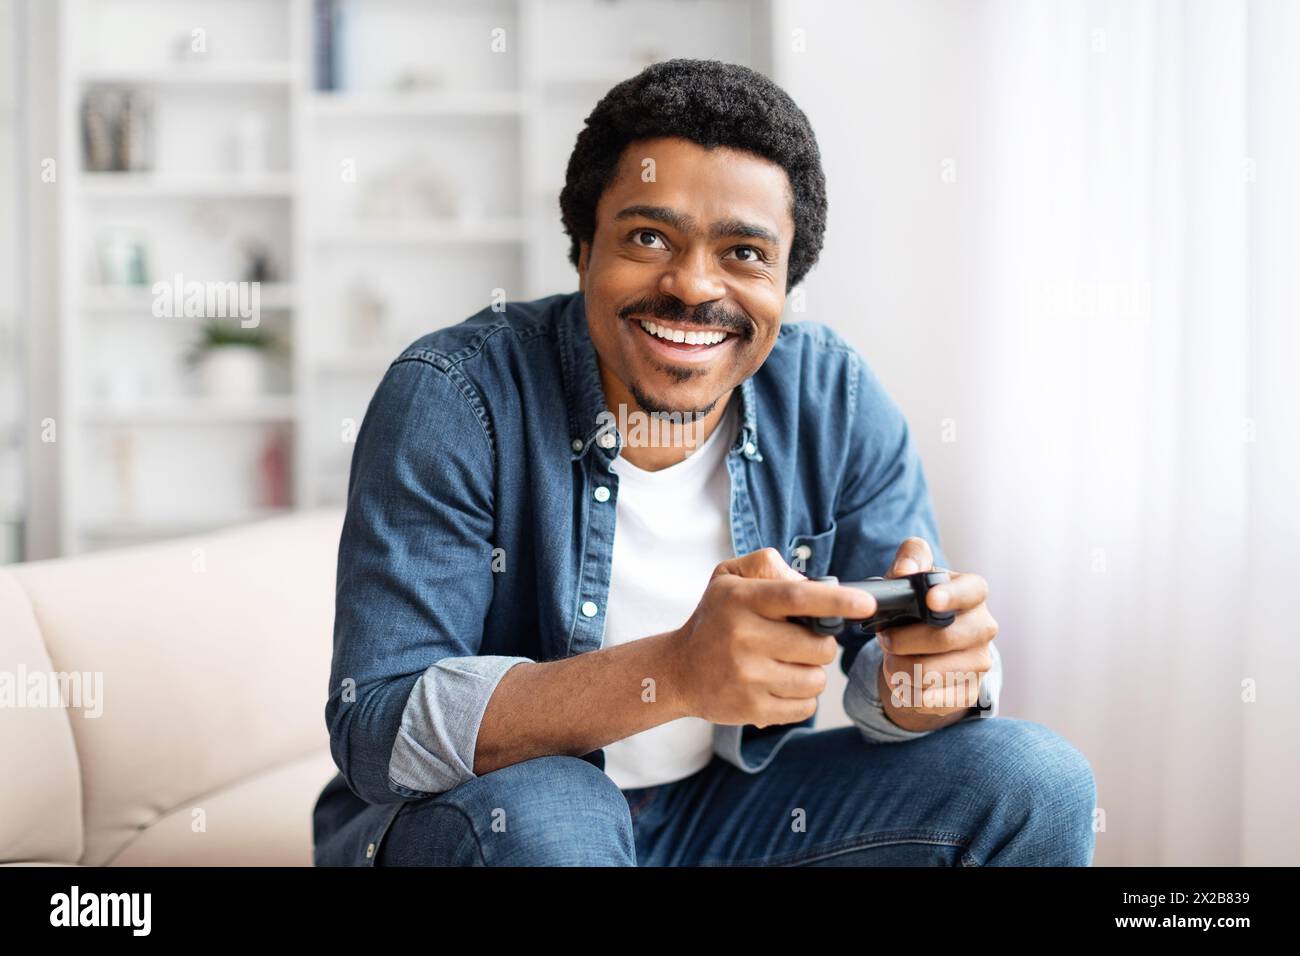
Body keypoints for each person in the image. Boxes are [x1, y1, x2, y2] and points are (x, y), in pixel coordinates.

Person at [312, 58, 1095, 867]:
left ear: (787, 281)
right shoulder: (455, 396)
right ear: (582, 250)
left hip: (719, 814)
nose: (692, 286)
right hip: (497, 818)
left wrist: (925, 683)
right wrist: (676, 671)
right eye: (649, 237)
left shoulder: (835, 398)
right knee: (558, 808)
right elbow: (377, 725)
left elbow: (886, 685)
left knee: (1036, 780)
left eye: (745, 252)